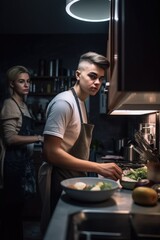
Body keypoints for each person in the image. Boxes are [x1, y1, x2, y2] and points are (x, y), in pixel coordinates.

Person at [38, 52, 122, 234]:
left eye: (101, 78)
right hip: (59, 179)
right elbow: (50, 152)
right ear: (78, 75)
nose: (98, 82)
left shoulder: (81, 103)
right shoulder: (64, 103)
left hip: (73, 179)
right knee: (59, 230)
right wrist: (98, 168)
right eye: (92, 76)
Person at [0, 65, 43, 240]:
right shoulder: (10, 105)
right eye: (21, 82)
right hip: (12, 165)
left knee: (18, 211)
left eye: (28, 81)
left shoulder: (23, 105)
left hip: (23, 164)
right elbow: (10, 139)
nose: (26, 85)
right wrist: (38, 138)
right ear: (12, 84)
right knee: (11, 213)